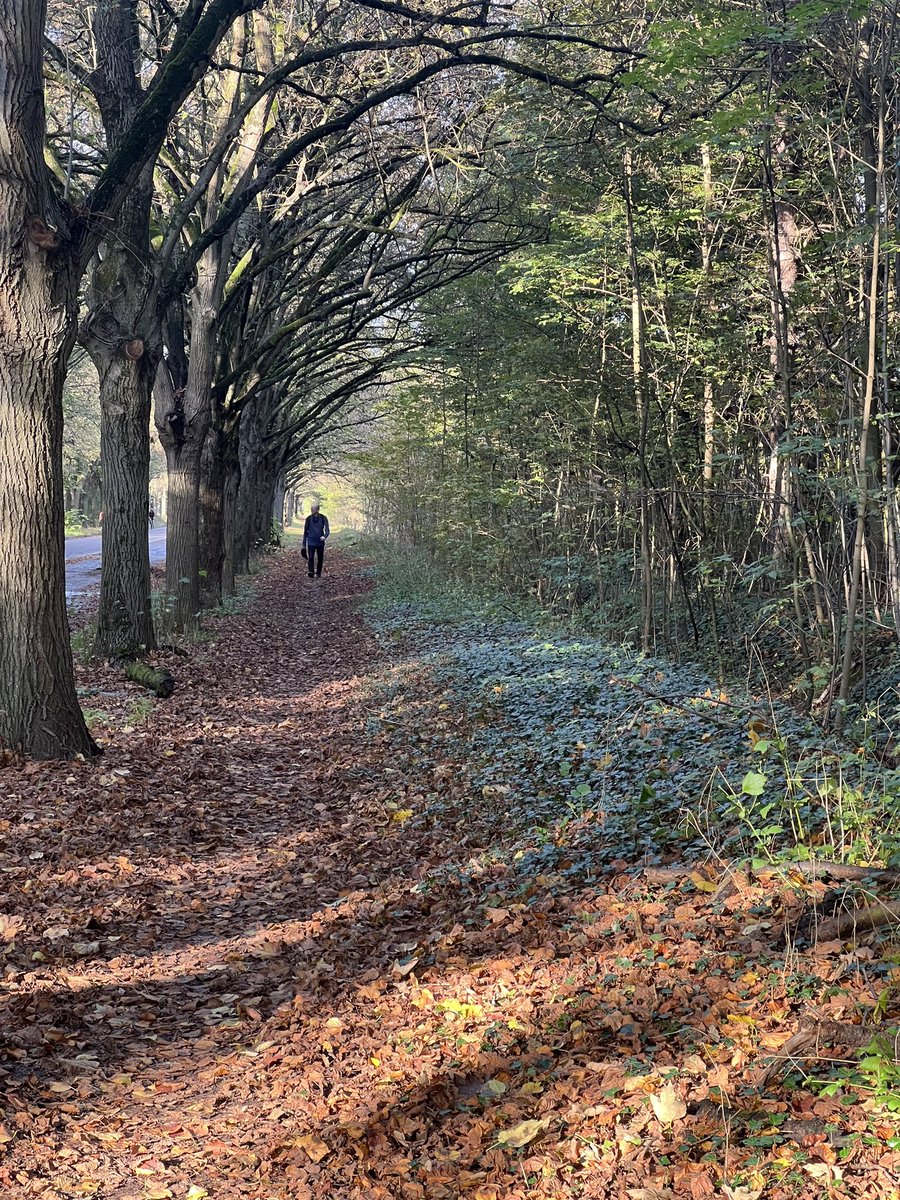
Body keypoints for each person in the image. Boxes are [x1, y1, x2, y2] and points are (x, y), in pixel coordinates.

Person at [302, 502, 330, 578]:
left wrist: (324, 536)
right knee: (310, 557)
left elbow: (327, 529)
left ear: (317, 509)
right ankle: (311, 571)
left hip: (320, 542)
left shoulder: (323, 518)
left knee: (320, 558)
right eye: (311, 508)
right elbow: (305, 532)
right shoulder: (308, 519)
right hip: (311, 541)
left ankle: (318, 572)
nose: (311, 510)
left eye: (313, 508)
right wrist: (303, 545)